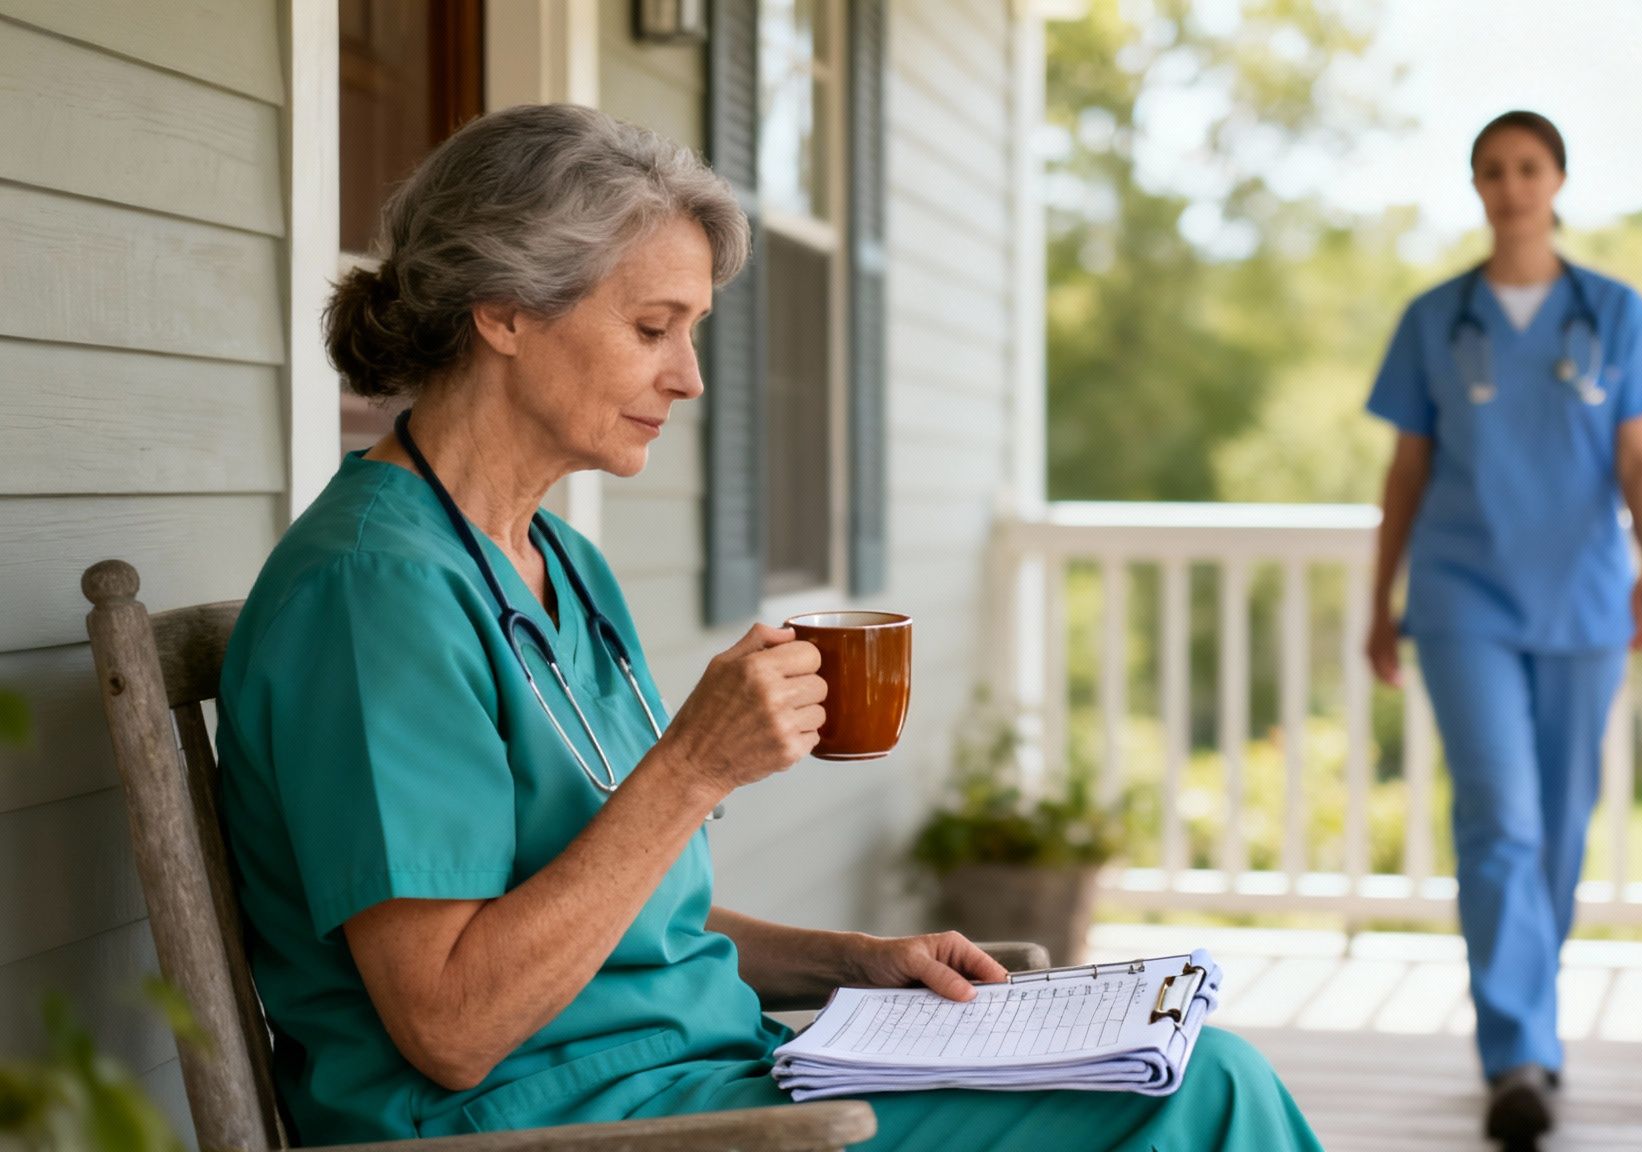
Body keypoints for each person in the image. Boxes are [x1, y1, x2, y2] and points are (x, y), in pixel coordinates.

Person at [215, 104, 1318, 1151]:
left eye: (689, 331)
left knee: (1172, 1067)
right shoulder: (372, 594)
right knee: (1204, 1095)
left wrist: (853, 963)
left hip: (707, 1084)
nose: (688, 378)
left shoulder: (558, 561)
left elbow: (621, 927)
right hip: (543, 1126)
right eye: (652, 327)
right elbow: (450, 1025)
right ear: (502, 312)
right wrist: (692, 766)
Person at [1361, 110, 1642, 1150]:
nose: (1509, 187)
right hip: (1461, 601)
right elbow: (1405, 470)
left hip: (1584, 600)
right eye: (1491, 171)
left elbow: (1639, 460)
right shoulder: (1433, 320)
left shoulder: (1614, 313)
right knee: (1498, 818)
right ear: (1474, 186)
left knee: (1558, 824)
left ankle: (1532, 1029)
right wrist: (1379, 600)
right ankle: (1514, 1055)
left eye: (1526, 168)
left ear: (1555, 180)